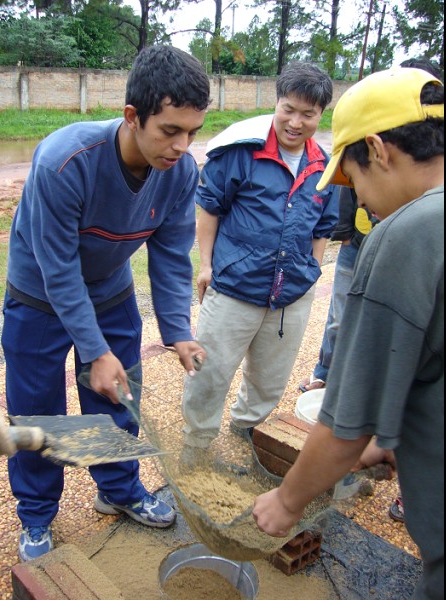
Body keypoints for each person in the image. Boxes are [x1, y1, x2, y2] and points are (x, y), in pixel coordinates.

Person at [2, 45, 211, 562]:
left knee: (119, 397)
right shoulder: (64, 162)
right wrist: (94, 351)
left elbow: (170, 254)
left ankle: (117, 490)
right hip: (39, 294)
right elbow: (58, 271)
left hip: (111, 291)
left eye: (192, 132)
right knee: (38, 411)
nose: (182, 146)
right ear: (132, 116)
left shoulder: (181, 172)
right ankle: (36, 515)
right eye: (170, 131)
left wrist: (177, 331)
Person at [253, 67, 444, 599]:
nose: (358, 202)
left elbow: (346, 423)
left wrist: (287, 501)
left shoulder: (409, 233)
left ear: (378, 150)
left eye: (353, 179)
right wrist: (394, 439)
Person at [181, 61, 339, 451]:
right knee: (210, 373)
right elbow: (210, 209)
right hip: (234, 286)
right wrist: (206, 265)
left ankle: (244, 434)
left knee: (269, 379)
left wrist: (312, 269)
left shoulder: (325, 166)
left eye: (308, 114)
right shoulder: (240, 152)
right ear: (277, 102)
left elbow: (324, 226)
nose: (296, 122)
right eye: (289, 109)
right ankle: (196, 447)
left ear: (321, 114)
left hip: (291, 296)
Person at [299, 187, 379, 393]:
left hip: (389, 243)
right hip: (354, 245)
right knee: (338, 317)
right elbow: (346, 189)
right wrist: (345, 234)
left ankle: (362, 381)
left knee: (378, 317)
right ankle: (324, 371)